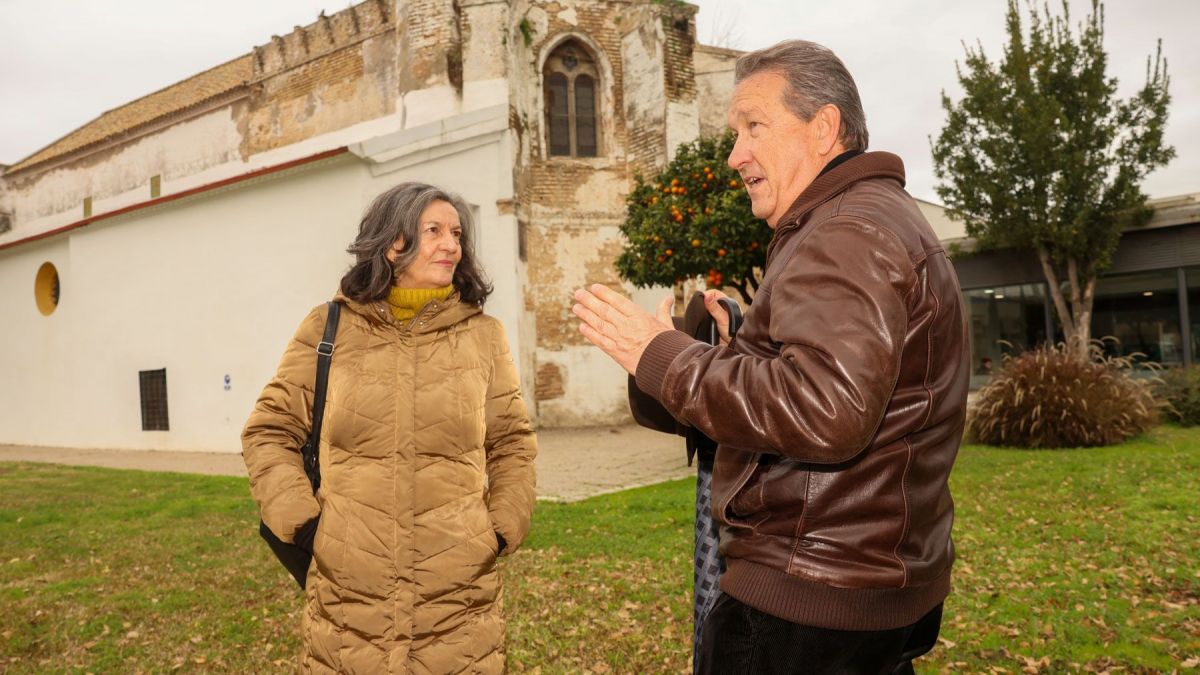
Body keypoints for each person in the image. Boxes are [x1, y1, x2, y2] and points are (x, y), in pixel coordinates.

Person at [572, 40, 968, 673]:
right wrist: (723, 355)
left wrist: (664, 355)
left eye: (753, 126)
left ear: (824, 128)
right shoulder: (867, 221)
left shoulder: (845, 232)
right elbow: (834, 389)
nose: (735, 156)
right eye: (736, 133)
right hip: (858, 592)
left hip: (807, 606)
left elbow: (826, 410)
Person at [243, 182, 537, 674]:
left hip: (458, 592)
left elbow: (511, 443)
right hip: (348, 591)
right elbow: (269, 430)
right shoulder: (327, 327)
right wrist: (305, 523)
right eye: (433, 231)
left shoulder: (484, 336)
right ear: (390, 242)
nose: (451, 245)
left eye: (457, 234)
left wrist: (500, 528)